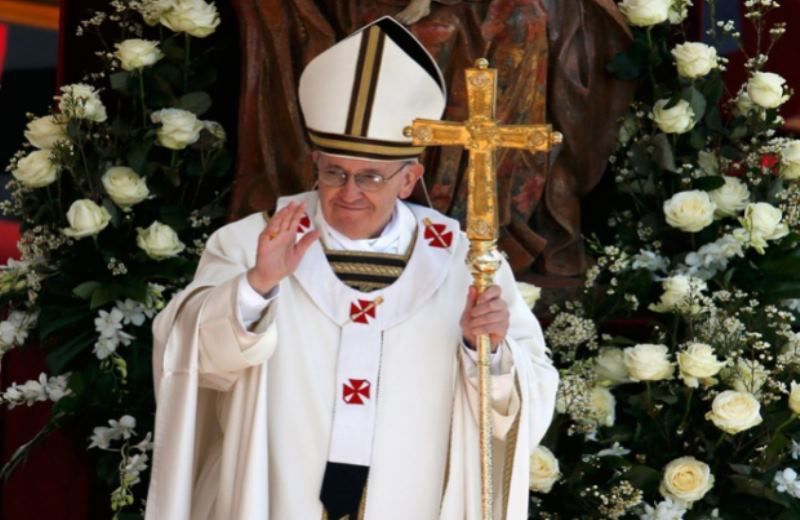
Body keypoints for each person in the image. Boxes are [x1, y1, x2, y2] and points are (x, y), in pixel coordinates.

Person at [145, 16, 558, 520]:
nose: (349, 192)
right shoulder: (254, 241)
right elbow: (188, 357)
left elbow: (525, 398)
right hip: (280, 494)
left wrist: (483, 350)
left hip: (412, 496)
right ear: (315, 163)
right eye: (334, 172)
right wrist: (258, 286)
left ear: (409, 179)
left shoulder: (465, 261)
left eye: (371, 177)